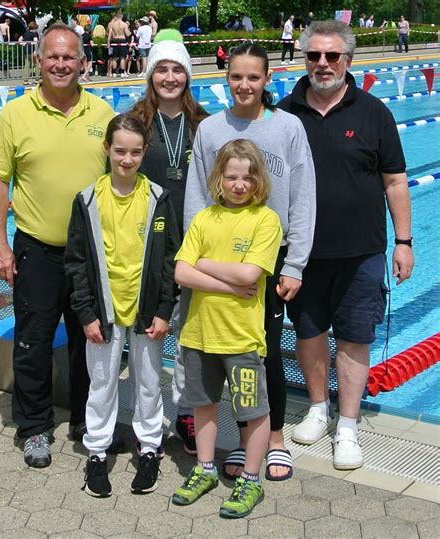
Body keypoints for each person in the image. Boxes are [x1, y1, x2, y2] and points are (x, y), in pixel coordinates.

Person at [278, 20, 414, 470]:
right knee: (310, 332)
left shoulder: (374, 112)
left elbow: (395, 182)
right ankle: (318, 408)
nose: (322, 64)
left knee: (356, 337)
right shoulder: (284, 112)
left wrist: (404, 242)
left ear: (348, 61)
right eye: (314, 56)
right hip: (302, 254)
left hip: (362, 252)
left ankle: (349, 425)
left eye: (331, 56)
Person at [0, 23, 116, 468]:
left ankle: (85, 419)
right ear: (39, 61)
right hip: (35, 248)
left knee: (89, 342)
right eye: (52, 56)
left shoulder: (101, 114)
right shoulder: (15, 114)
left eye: (69, 57)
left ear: (82, 63)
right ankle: (34, 427)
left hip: (91, 253)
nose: (60, 64)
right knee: (33, 342)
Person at [184, 42, 316, 481]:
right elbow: (196, 201)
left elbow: (302, 198)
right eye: (237, 77)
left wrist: (295, 263)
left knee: (263, 354)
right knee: (222, 354)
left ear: (267, 81)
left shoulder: (288, 127)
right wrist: (197, 260)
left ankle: (274, 438)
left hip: (267, 261)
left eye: (253, 77)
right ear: (227, 80)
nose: (244, 85)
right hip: (213, 263)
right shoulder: (210, 129)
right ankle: (244, 440)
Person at [65, 113, 180, 497]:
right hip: (103, 312)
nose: (127, 160)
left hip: (147, 311)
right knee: (102, 385)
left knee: (149, 384)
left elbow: (169, 261)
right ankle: (97, 452)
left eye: (134, 152)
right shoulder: (87, 200)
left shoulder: (158, 199)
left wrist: (164, 310)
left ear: (145, 152)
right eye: (120, 151)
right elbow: (77, 263)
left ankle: (149, 447)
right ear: (107, 150)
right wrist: (85, 313)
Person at [172, 139, 282, 518]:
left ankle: (251, 479)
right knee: (203, 404)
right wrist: (228, 284)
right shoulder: (205, 218)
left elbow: (250, 273)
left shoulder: (265, 220)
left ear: (258, 181)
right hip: (199, 333)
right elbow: (180, 271)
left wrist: (204, 263)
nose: (238, 184)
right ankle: (204, 469)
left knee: (253, 410)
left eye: (246, 178)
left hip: (242, 338)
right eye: (231, 176)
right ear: (219, 177)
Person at [129, 30, 208, 455]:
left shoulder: (205, 123)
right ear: (151, 74)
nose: (170, 77)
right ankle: (149, 414)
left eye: (178, 69)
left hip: (195, 249)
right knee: (151, 336)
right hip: (150, 248)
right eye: (162, 68)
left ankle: (186, 412)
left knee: (190, 338)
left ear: (188, 75)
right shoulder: (136, 122)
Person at [107, 11, 131, 77]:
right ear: (122, 16)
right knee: (122, 57)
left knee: (114, 58)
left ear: (117, 16)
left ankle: (114, 73)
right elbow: (127, 34)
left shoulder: (112, 24)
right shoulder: (124, 24)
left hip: (114, 40)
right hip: (122, 40)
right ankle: (122, 73)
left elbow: (109, 34)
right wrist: (129, 32)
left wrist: (108, 43)